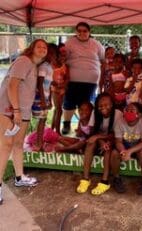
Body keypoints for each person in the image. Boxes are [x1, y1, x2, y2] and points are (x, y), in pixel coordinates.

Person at [0, 39, 48, 204]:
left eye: (45, 47)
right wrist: (16, 110)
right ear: (32, 48)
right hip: (8, 109)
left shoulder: (34, 66)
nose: (43, 48)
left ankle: (19, 177)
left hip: (23, 111)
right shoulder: (23, 61)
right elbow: (12, 86)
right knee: (6, 145)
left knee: (18, 144)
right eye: (39, 46)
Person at [62, 21, 105, 135]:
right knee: (69, 102)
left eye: (85, 31)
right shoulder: (69, 43)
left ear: (89, 32)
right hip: (72, 80)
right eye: (79, 31)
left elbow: (103, 60)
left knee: (85, 104)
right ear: (76, 32)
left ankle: (83, 127)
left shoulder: (96, 44)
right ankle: (67, 124)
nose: (82, 33)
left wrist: (102, 78)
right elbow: (62, 59)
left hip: (91, 81)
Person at [76, 93, 123, 195]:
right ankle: (85, 179)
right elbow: (93, 132)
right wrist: (100, 141)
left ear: (112, 104)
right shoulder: (95, 113)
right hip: (100, 140)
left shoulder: (118, 114)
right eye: (100, 106)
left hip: (113, 140)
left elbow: (116, 135)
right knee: (90, 144)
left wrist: (100, 138)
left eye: (107, 105)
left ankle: (104, 181)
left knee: (108, 149)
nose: (103, 108)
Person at [110, 103, 142, 195]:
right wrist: (123, 151)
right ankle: (116, 178)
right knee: (114, 153)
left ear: (139, 114)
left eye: (132, 110)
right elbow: (118, 142)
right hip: (125, 145)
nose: (128, 112)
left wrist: (129, 152)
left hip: (139, 146)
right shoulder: (120, 122)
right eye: (127, 110)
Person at [31, 43, 56, 151]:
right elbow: (39, 84)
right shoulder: (43, 66)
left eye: (54, 54)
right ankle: (38, 144)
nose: (52, 55)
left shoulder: (50, 67)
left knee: (43, 120)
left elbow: (49, 86)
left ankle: (39, 142)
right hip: (39, 98)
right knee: (41, 120)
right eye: (50, 53)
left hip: (45, 98)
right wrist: (42, 100)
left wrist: (49, 100)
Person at [51, 43, 69, 135]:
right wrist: (55, 85)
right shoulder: (52, 65)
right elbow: (50, 79)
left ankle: (52, 129)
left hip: (61, 90)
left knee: (57, 109)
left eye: (64, 55)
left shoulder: (65, 66)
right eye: (61, 55)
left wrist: (64, 87)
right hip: (54, 90)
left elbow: (67, 78)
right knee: (59, 109)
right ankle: (57, 131)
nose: (63, 57)